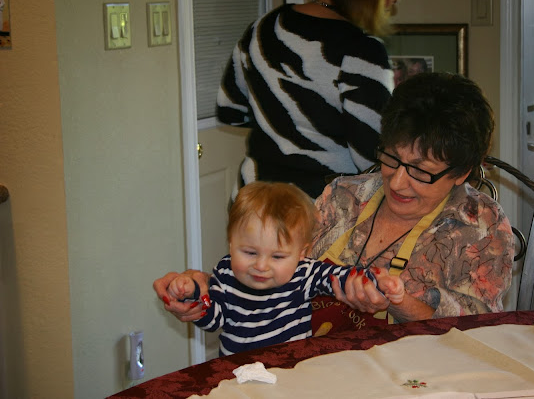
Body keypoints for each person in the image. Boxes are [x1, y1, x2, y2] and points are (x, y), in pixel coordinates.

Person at [155, 72, 514, 331]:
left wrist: (399, 301)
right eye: (391, 158)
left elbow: (477, 333)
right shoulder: (344, 195)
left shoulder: (480, 226)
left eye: (421, 171)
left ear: (461, 172)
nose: (397, 181)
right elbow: (276, 268)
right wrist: (206, 290)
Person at [159, 181, 404, 356]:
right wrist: (192, 293)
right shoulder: (225, 274)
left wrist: (375, 282)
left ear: (301, 253)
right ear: (232, 244)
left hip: (292, 374)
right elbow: (214, 320)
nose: (261, 265)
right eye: (250, 252)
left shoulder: (304, 272)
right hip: (239, 377)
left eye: (277, 256)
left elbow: (340, 276)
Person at [216, 0, 406, 198]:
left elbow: (230, 111)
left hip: (254, 197)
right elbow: (372, 155)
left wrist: (283, 125)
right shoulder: (362, 49)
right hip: (319, 206)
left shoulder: (262, 28)